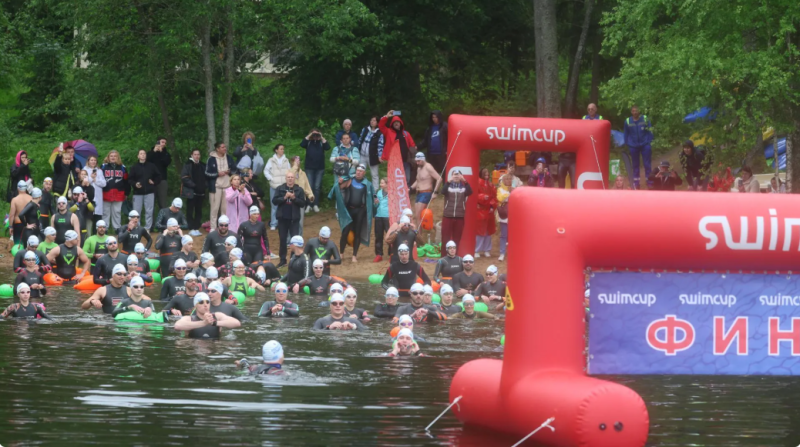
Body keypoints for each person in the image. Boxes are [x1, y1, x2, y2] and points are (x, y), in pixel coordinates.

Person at [330, 165, 374, 263]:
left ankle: (354, 255)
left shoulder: (367, 184)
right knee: (345, 232)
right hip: (349, 210)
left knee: (358, 233)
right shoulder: (350, 180)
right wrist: (339, 182)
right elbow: (339, 188)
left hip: (360, 211)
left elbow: (372, 197)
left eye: (361, 171)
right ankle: (341, 254)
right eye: (357, 170)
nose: (358, 172)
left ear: (364, 173)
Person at [272, 172, 306, 268]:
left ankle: (293, 259)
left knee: (294, 240)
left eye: (292, 177)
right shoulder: (280, 188)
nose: (290, 179)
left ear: (294, 179)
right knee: (282, 240)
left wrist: (294, 198)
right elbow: (274, 201)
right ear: (286, 178)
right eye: (288, 177)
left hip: (294, 219)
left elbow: (303, 203)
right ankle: (282, 260)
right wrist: (285, 197)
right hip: (282, 218)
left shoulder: (299, 190)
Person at [174, 293, 241, 339]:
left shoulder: (217, 316)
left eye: (207, 302)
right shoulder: (190, 319)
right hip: (195, 348)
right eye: (201, 302)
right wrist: (204, 323)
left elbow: (237, 323)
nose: (205, 305)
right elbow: (177, 326)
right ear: (195, 305)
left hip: (214, 349)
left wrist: (214, 323)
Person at [379, 110, 417, 185]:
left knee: (407, 179)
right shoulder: (388, 132)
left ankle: (407, 192)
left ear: (401, 123)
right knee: (395, 180)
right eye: (394, 122)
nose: (396, 123)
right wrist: (386, 116)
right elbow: (381, 125)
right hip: (394, 161)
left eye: (398, 122)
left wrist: (414, 156)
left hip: (406, 160)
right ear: (392, 124)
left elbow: (412, 145)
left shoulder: (406, 133)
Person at [129, 149, 161, 231]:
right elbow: (130, 179)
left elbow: (158, 176)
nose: (143, 155)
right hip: (137, 193)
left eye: (144, 153)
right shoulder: (134, 167)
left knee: (149, 211)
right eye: (141, 153)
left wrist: (154, 182)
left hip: (149, 192)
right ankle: (137, 228)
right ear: (138, 156)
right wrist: (135, 184)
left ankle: (147, 228)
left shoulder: (151, 166)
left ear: (146, 156)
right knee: (136, 212)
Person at [206, 142, 236, 231]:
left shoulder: (229, 158)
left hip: (227, 187)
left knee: (225, 209)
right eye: (222, 147)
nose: (225, 148)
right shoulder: (211, 159)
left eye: (225, 147)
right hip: (216, 187)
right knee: (214, 208)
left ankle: (224, 227)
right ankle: (213, 227)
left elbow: (234, 170)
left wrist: (229, 172)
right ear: (217, 149)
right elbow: (207, 173)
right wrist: (217, 174)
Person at [300, 128, 331, 213]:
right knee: (309, 186)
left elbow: (328, 147)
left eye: (316, 134)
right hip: (309, 167)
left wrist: (321, 137)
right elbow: (302, 144)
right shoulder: (308, 142)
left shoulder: (321, 142)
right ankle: (309, 205)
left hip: (320, 168)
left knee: (317, 187)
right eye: (314, 134)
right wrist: (310, 135)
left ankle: (315, 204)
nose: (315, 136)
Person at [623, 105, 653, 189]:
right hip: (633, 146)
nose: (635, 112)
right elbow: (626, 133)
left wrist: (649, 141)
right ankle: (636, 183)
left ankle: (650, 182)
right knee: (635, 165)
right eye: (633, 111)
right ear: (631, 112)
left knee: (647, 164)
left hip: (645, 145)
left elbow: (650, 130)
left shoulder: (645, 119)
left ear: (639, 111)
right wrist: (626, 143)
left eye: (636, 111)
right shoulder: (628, 121)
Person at [440, 170, 471, 247]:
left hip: (459, 216)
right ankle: (444, 254)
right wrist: (448, 181)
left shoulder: (464, 187)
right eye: (454, 175)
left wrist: (465, 181)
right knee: (445, 238)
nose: (456, 176)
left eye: (458, 175)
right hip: (448, 215)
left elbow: (470, 192)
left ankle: (455, 254)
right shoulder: (448, 186)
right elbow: (442, 192)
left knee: (457, 239)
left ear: (461, 176)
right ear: (452, 176)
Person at [264, 143, 291, 231]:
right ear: (276, 150)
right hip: (274, 186)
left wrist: (287, 181)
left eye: (283, 149)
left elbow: (289, 171)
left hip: (284, 186)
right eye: (281, 149)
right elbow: (266, 171)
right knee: (274, 205)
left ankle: (283, 223)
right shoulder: (271, 160)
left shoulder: (286, 160)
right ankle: (273, 223)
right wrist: (271, 179)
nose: (282, 150)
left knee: (284, 204)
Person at [180, 149, 207, 236]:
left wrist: (204, 186)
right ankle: (191, 228)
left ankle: (196, 228)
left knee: (199, 210)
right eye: (195, 154)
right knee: (190, 210)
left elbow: (207, 177)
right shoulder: (187, 165)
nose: (196, 156)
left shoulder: (203, 165)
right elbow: (184, 177)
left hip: (201, 192)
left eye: (198, 154)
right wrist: (194, 185)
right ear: (192, 155)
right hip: (191, 192)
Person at [410, 152, 442, 224]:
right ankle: (432, 227)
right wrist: (410, 188)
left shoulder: (428, 167)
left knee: (419, 216)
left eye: (419, 161)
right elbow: (418, 180)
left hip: (426, 192)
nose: (417, 163)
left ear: (423, 159)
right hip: (418, 193)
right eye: (416, 161)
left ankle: (419, 231)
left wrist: (435, 192)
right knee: (417, 216)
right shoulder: (419, 168)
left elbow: (439, 179)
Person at [101, 150, 128, 231]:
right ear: (108, 157)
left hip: (119, 193)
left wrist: (126, 193)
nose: (113, 157)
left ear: (118, 157)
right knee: (105, 212)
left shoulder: (123, 167)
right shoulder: (103, 167)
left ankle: (117, 228)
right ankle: (105, 229)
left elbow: (126, 181)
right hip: (106, 192)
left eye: (115, 156)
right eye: (111, 156)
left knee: (117, 211)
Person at [289, 156, 314, 236]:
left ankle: (299, 238)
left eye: (299, 161)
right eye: (296, 161)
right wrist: (295, 167)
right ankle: (289, 239)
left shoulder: (303, 174)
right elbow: (290, 176)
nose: (298, 163)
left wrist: (310, 195)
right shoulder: (289, 172)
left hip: (301, 200)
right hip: (291, 200)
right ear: (292, 163)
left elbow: (307, 186)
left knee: (300, 221)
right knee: (290, 220)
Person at [359, 116, 385, 190]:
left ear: (377, 122)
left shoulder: (379, 133)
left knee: (374, 174)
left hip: (373, 156)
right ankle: (360, 188)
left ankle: (375, 191)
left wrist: (380, 156)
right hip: (362, 155)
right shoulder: (365, 129)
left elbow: (380, 145)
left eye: (374, 120)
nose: (372, 122)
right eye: (371, 120)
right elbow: (360, 140)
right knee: (360, 172)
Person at [475, 168, 497, 258]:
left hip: (489, 211)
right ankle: (477, 250)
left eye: (488, 174)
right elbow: (474, 195)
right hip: (480, 211)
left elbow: (495, 197)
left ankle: (487, 250)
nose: (487, 175)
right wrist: (482, 197)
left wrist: (492, 205)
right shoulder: (477, 183)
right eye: (485, 174)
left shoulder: (491, 185)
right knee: (479, 232)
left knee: (488, 232)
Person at [147, 137, 172, 211]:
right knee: (151, 204)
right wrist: (154, 151)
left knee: (162, 203)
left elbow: (166, 163)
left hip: (162, 180)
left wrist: (161, 153)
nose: (164, 144)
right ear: (157, 142)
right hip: (151, 181)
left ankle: (162, 218)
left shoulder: (166, 154)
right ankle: (151, 219)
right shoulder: (150, 153)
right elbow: (146, 161)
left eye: (165, 143)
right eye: (162, 142)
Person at [83, 155, 107, 231]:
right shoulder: (85, 170)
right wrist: (91, 178)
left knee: (97, 216)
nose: (93, 162)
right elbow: (84, 182)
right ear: (88, 161)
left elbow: (104, 183)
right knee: (89, 215)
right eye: (91, 160)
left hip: (98, 195)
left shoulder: (99, 171)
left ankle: (97, 232)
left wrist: (95, 179)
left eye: (94, 160)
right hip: (89, 195)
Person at [496, 173, 514, 261]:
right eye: (506, 179)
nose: (508, 180)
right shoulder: (500, 189)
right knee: (504, 235)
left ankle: (512, 253)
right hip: (504, 214)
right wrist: (509, 193)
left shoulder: (514, 189)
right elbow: (500, 198)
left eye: (510, 179)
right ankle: (502, 253)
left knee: (513, 235)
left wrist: (512, 192)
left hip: (513, 214)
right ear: (503, 180)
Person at [372, 178, 390, 263]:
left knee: (390, 236)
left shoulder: (392, 193)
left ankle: (391, 254)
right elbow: (376, 205)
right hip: (379, 216)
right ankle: (379, 254)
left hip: (388, 216)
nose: (380, 184)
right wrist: (376, 203)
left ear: (387, 184)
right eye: (380, 183)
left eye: (382, 183)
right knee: (378, 236)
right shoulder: (378, 192)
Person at [8, 180, 32, 245]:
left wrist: (10, 226)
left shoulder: (15, 200)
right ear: (26, 188)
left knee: (18, 244)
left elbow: (12, 215)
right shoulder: (31, 198)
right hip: (29, 224)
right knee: (28, 244)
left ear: (18, 188)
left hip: (18, 224)